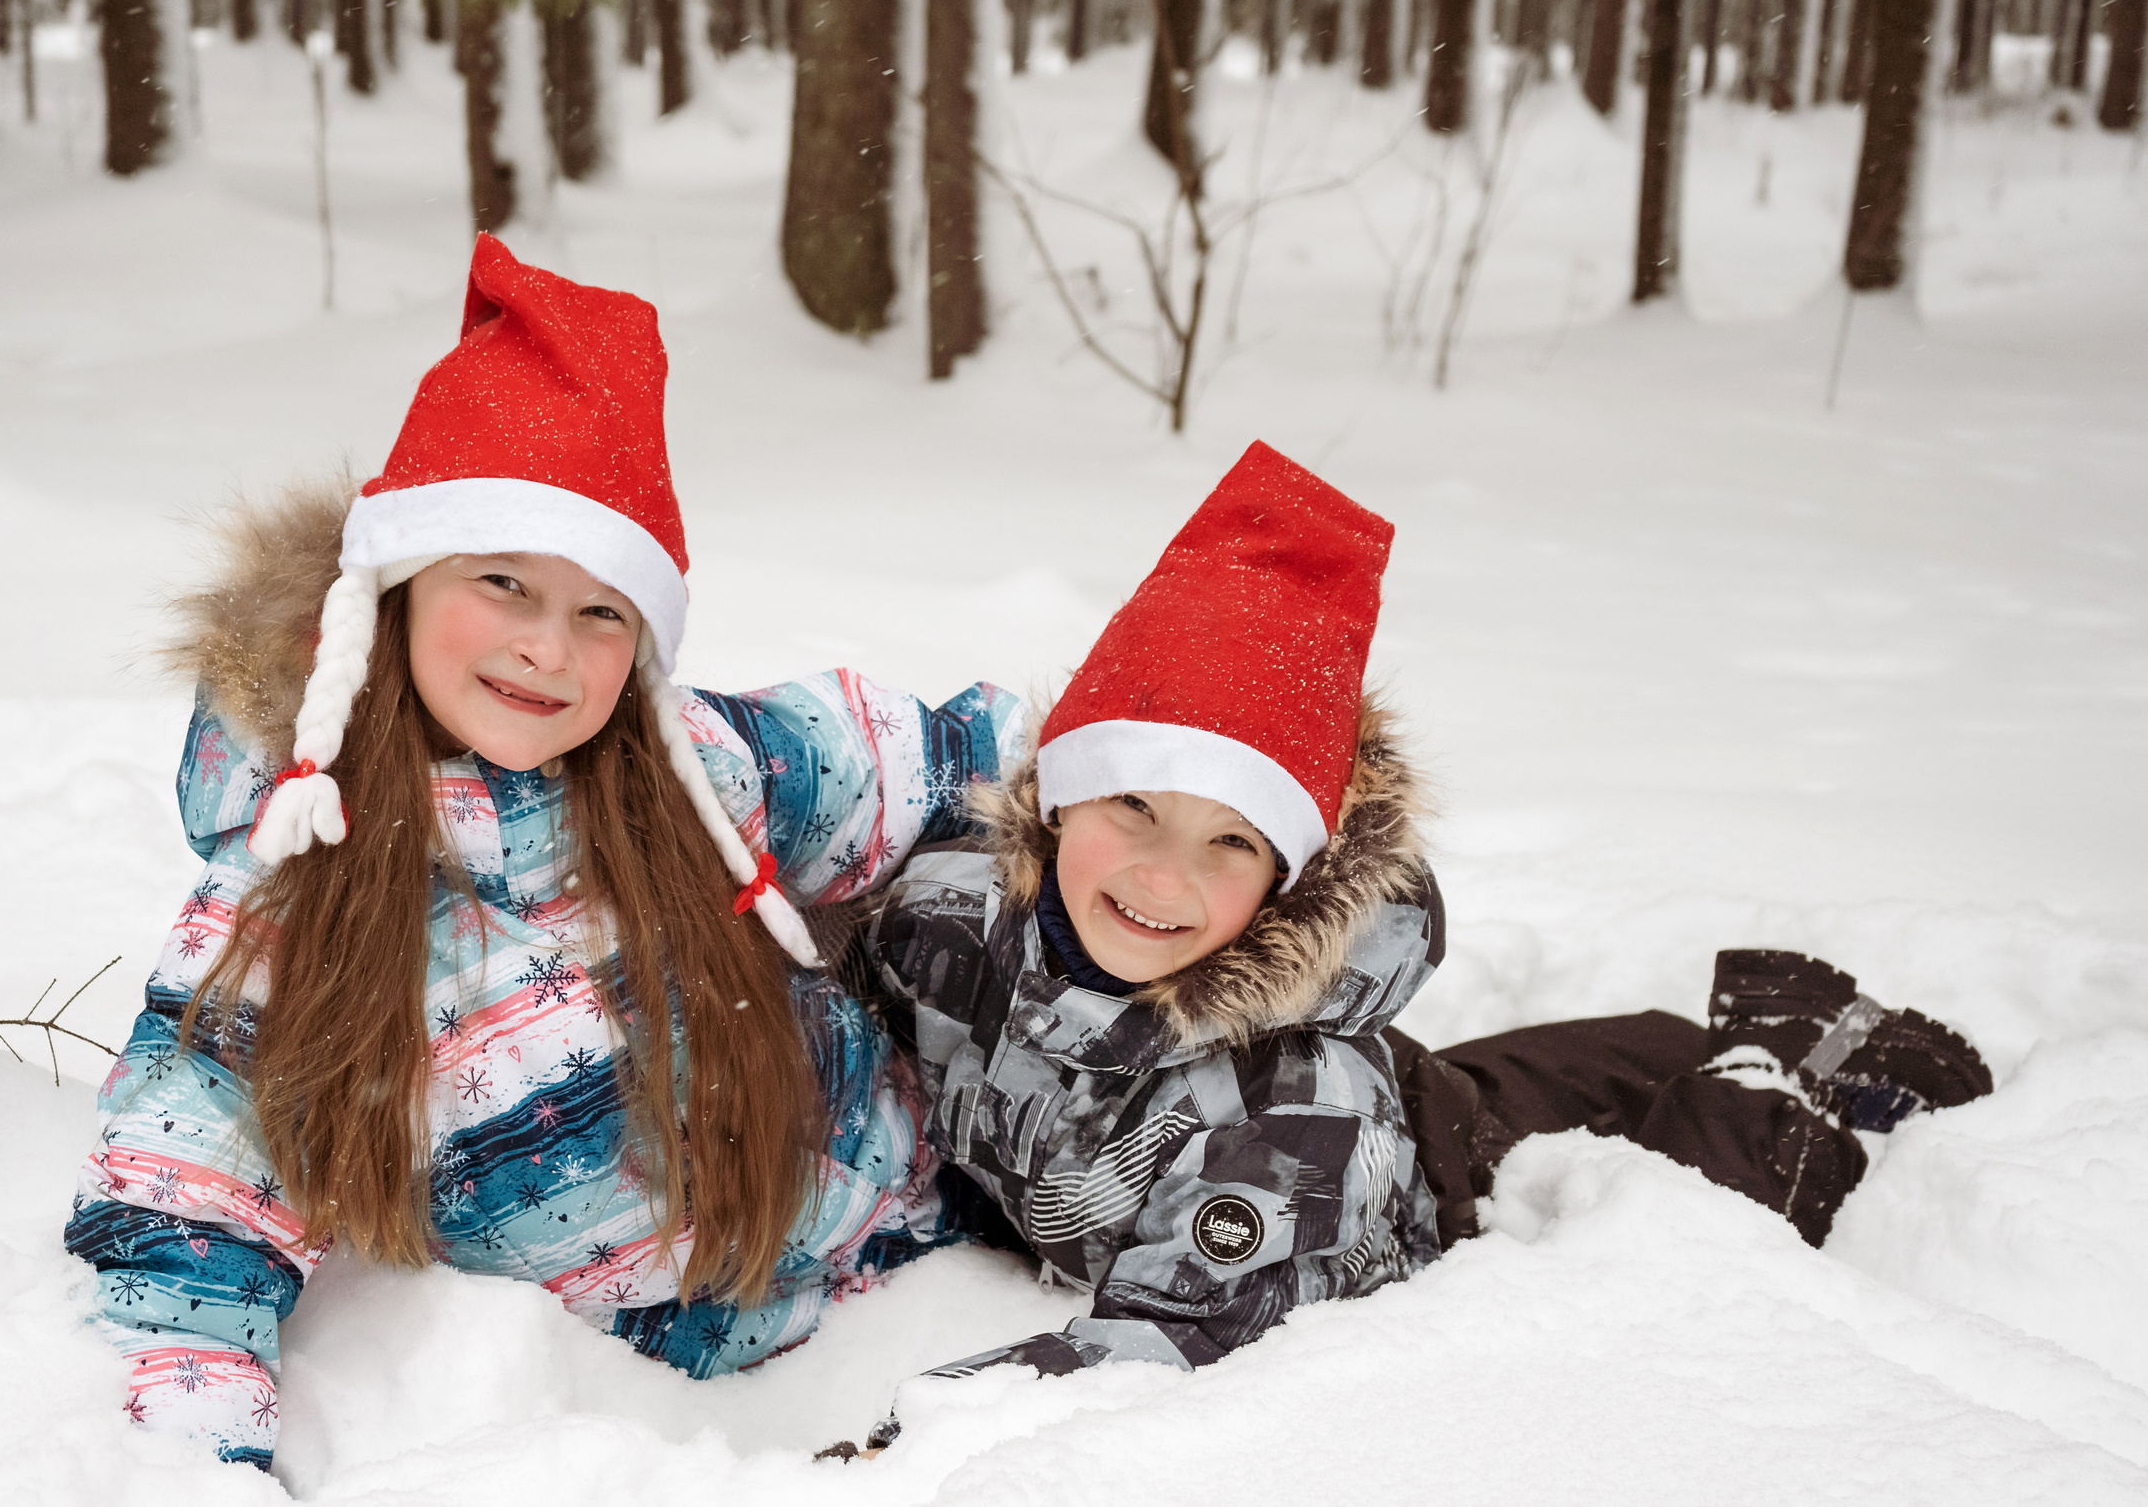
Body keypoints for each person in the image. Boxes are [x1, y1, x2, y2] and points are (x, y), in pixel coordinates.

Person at [66, 238, 1019, 1469]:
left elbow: (919, 758)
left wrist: (1152, 794)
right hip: (693, 1383)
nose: (547, 650)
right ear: (394, 590)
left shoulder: (686, 765)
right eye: (503, 583)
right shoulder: (303, 870)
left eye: (598, 610)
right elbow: (188, 1183)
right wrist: (199, 1472)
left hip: (944, 1220)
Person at [846, 442, 1988, 1430]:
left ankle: (1811, 1066)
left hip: (1441, 1195)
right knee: (1561, 1072)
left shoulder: (1293, 1122)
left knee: (1701, 1172)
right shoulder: (947, 926)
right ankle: (1703, 1038)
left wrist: (911, 1437)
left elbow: (1171, 1348)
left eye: (1232, 841)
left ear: (1291, 883)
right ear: (1058, 798)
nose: (1162, 874)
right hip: (1421, 1092)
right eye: (1133, 805)